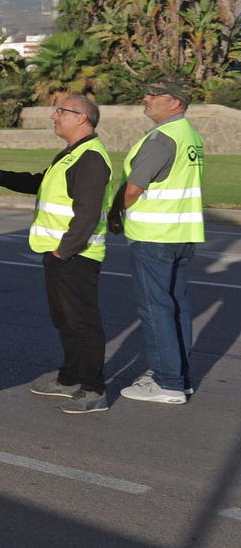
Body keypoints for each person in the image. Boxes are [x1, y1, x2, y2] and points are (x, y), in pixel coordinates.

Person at [0, 94, 114, 414]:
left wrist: (64, 251)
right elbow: (40, 183)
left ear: (81, 118)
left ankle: (92, 388)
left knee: (82, 322)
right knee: (65, 320)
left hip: (75, 256)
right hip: (59, 253)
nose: (54, 116)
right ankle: (71, 378)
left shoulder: (90, 157)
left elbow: (87, 213)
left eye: (61, 111)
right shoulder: (71, 154)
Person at [110, 77, 203, 404]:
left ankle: (166, 382)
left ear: (175, 103)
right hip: (180, 234)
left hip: (154, 237)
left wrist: (113, 212)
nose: (146, 98)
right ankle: (179, 377)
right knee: (176, 307)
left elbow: (133, 189)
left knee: (156, 309)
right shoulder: (189, 135)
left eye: (154, 94)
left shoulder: (162, 138)